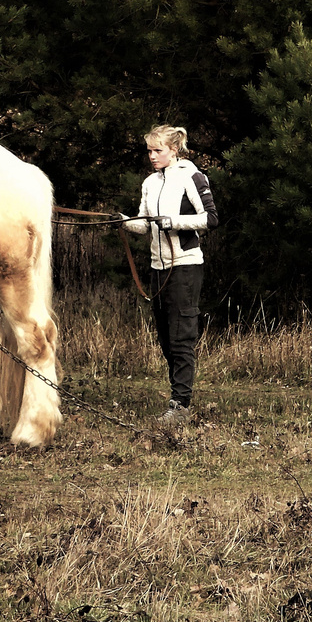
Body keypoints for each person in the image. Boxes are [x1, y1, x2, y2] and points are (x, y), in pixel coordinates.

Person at [123, 124, 218, 425]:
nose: (152, 156)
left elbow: (210, 218)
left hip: (186, 266)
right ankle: (177, 400)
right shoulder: (150, 183)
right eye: (149, 151)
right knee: (165, 338)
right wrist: (122, 221)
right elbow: (145, 224)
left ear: (174, 150)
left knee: (181, 338)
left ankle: (180, 406)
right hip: (157, 268)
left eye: (157, 150)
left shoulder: (192, 175)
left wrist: (173, 222)